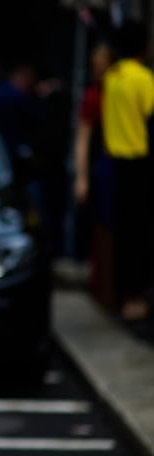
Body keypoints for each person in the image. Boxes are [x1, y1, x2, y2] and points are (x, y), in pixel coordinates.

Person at [101, 19, 154, 322]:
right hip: (139, 164)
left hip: (114, 164)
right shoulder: (143, 78)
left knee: (120, 232)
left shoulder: (112, 76)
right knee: (139, 234)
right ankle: (135, 299)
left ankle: (120, 295)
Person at [72, 42, 115, 305]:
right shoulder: (93, 96)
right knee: (102, 229)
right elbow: (83, 138)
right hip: (103, 166)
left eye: (102, 64)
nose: (98, 69)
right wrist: (82, 176)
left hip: (116, 163)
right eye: (95, 65)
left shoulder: (117, 89)